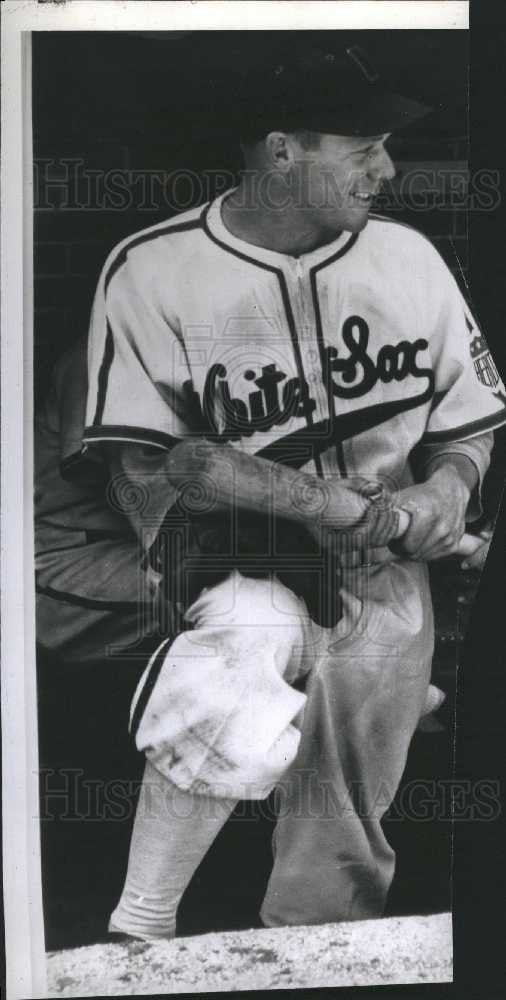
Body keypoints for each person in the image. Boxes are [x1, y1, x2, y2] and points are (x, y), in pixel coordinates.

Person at [58, 44, 506, 938]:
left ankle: (307, 947)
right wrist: (300, 517)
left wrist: (449, 490)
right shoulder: (152, 268)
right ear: (280, 150)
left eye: (386, 145)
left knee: (353, 786)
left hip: (387, 563)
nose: (386, 168)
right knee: (234, 660)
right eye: (363, 145)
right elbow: (148, 468)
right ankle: (140, 927)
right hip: (238, 553)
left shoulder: (409, 258)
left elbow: (469, 420)